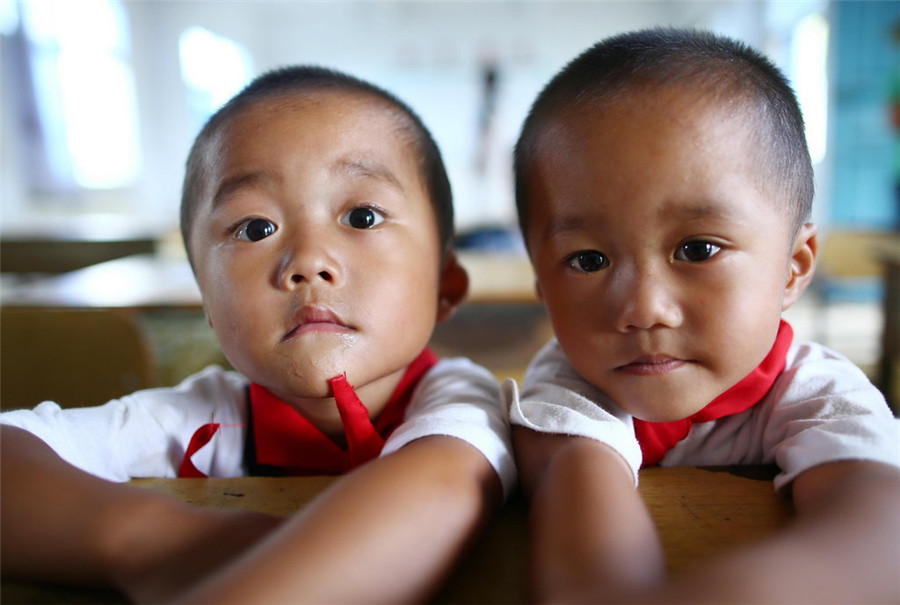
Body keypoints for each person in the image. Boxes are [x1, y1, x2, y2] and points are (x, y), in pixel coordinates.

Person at [1, 65, 515, 604]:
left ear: (445, 285)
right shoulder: (203, 418)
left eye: (362, 216)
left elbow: (438, 487)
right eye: (255, 228)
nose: (309, 261)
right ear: (206, 300)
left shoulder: (462, 400)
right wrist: (153, 538)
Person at [506, 27, 900, 603]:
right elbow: (589, 566)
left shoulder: (818, 390)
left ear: (792, 266)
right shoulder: (568, 391)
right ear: (542, 285)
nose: (642, 308)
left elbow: (880, 526)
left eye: (698, 250)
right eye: (588, 259)